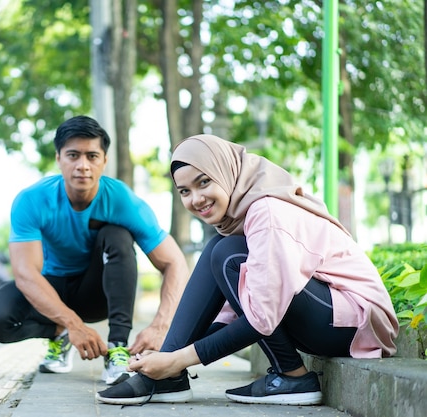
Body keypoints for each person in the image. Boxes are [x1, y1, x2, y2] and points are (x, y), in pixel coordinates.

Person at [96, 134, 399, 405]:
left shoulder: (266, 211)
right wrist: (168, 356)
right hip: (328, 318)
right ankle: (165, 380)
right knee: (219, 248)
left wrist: (179, 358)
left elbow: (260, 317)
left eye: (204, 182)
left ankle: (292, 377)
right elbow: (234, 310)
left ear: (225, 173)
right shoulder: (240, 218)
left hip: (356, 323)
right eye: (184, 191)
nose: (196, 199)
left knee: (227, 253)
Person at [0, 115, 190, 385]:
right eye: (73, 155)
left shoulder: (122, 200)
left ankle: (117, 348)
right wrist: (72, 325)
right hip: (50, 288)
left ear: (104, 161)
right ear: (58, 159)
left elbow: (174, 263)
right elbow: (24, 273)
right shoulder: (32, 200)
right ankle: (60, 334)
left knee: (116, 234)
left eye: (92, 156)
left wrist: (161, 325)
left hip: (97, 293)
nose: (82, 166)